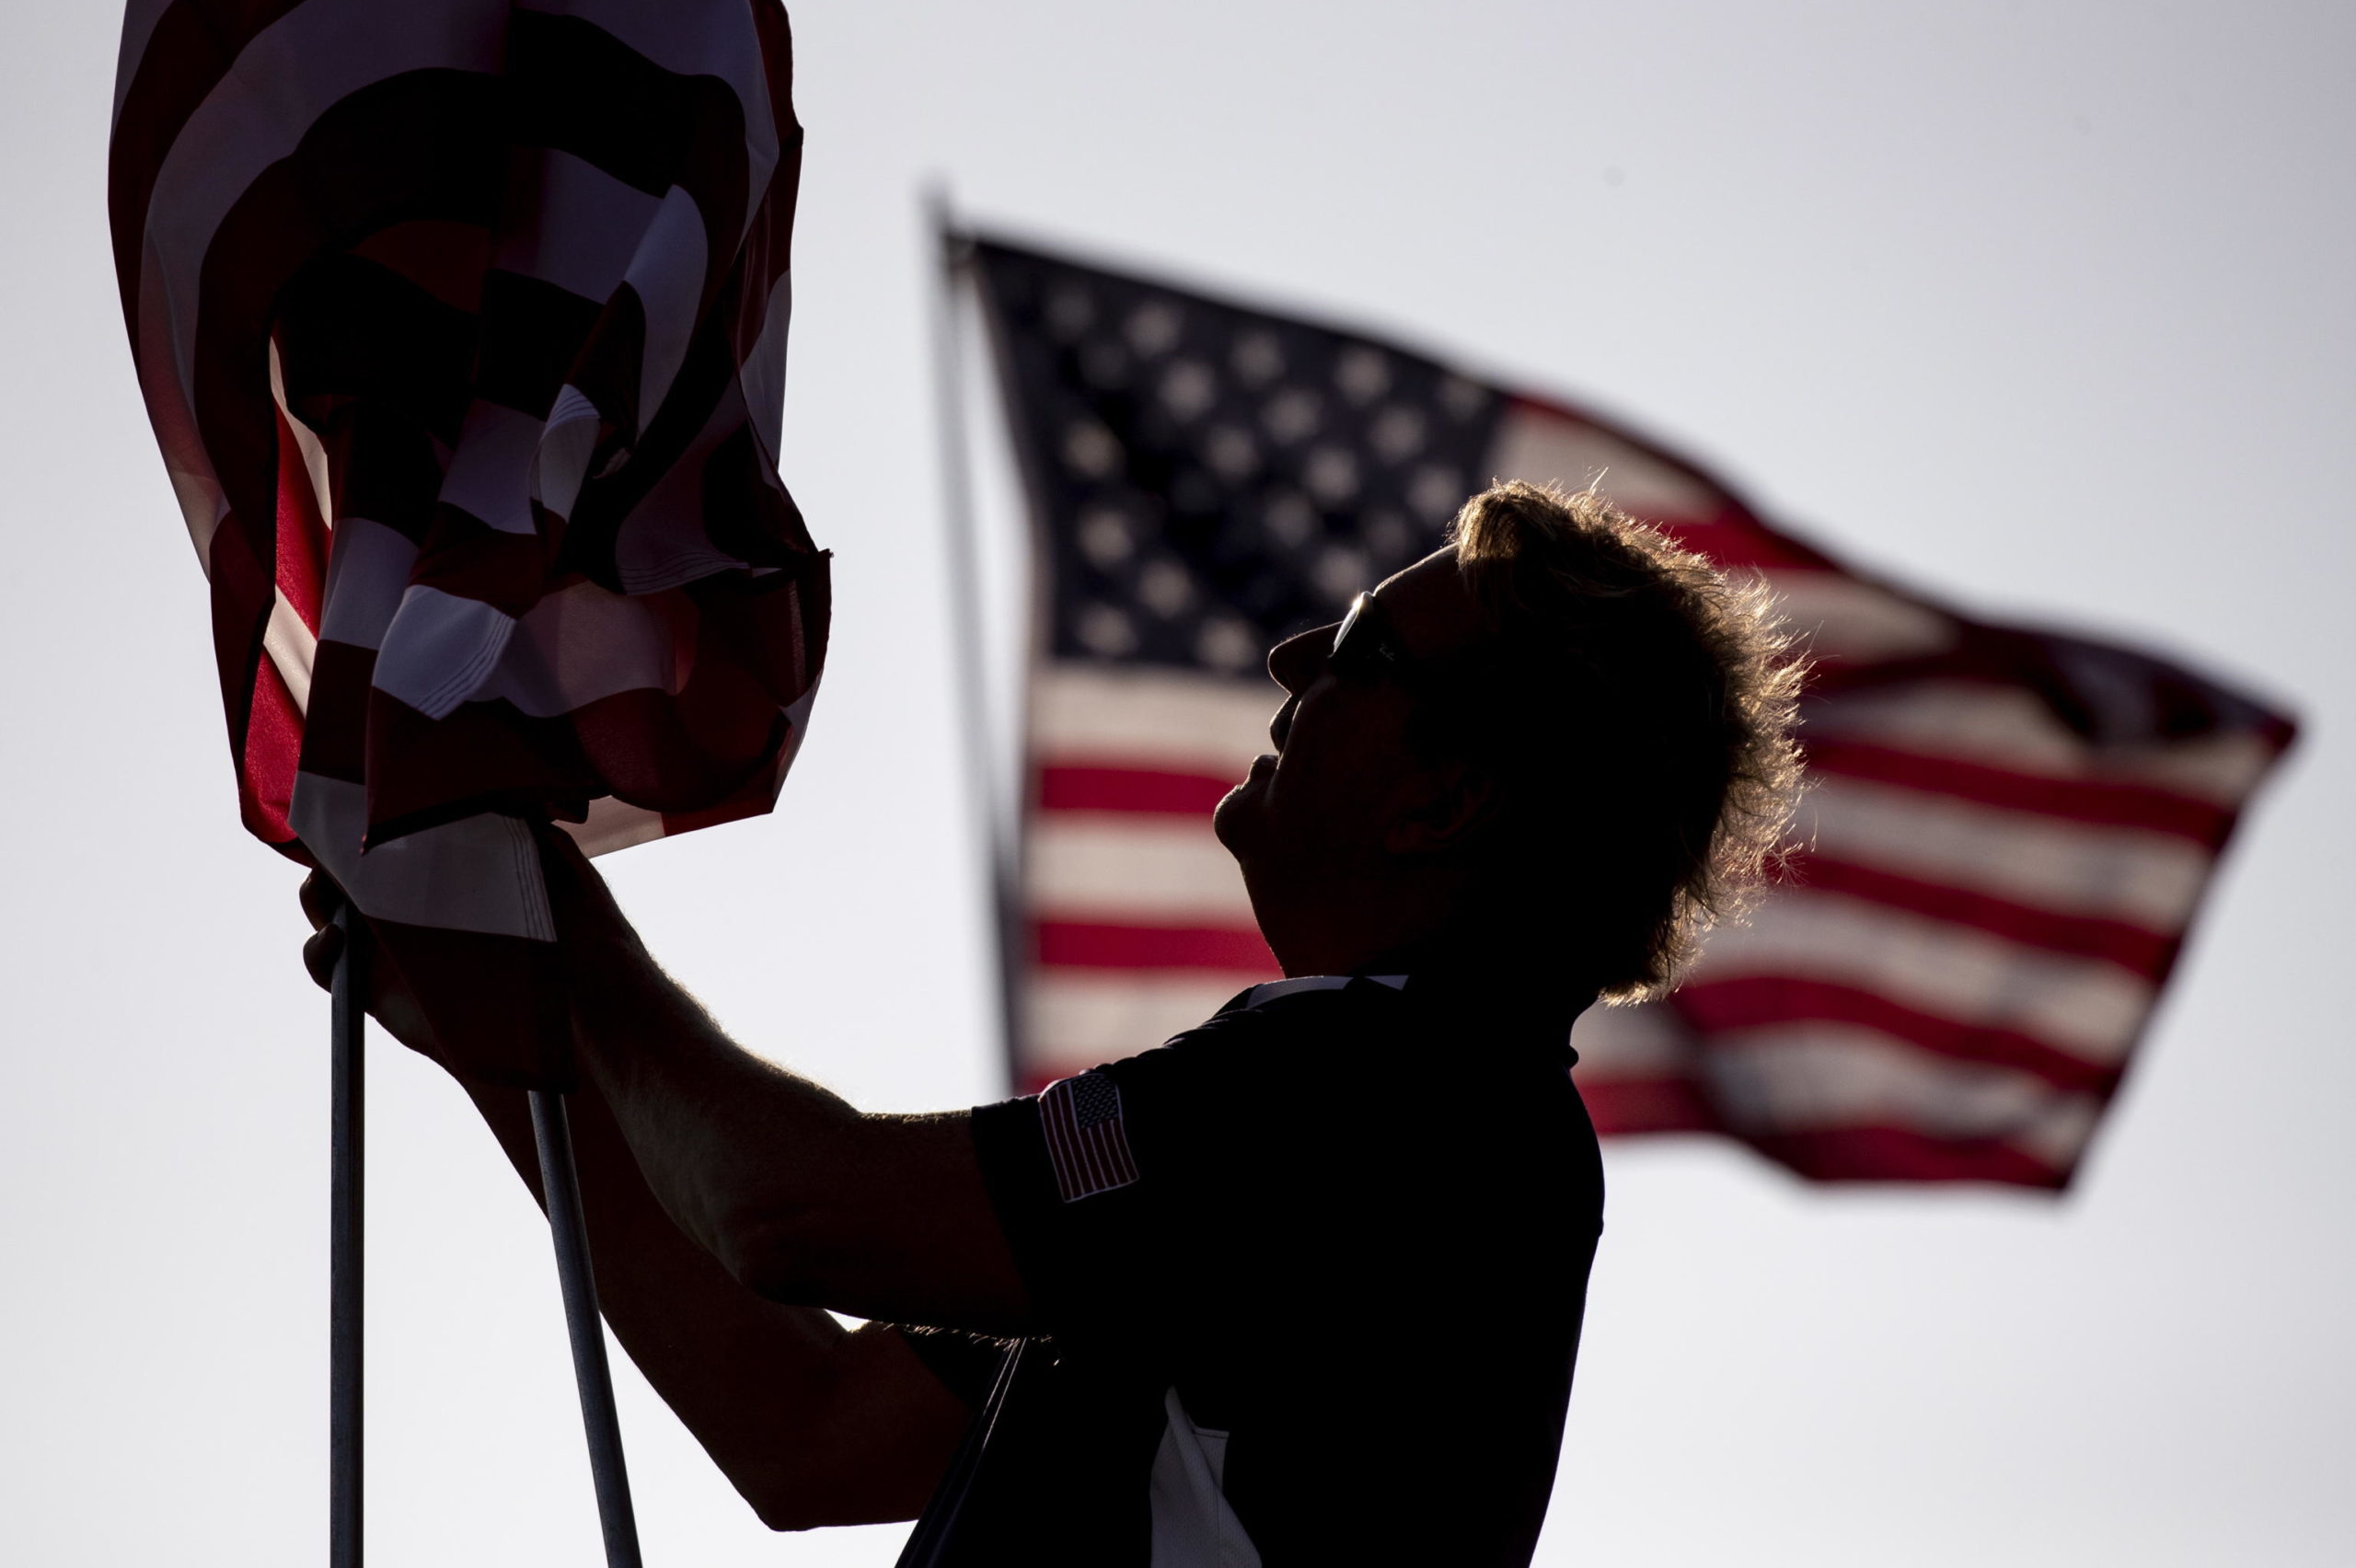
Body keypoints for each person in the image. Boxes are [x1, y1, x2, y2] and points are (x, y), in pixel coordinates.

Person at [303, 479, 1802, 1565]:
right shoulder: (1408, 1122)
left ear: (1446, 800)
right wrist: (520, 1026)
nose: (1294, 662)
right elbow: (803, 1428)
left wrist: (556, 934)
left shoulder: (1394, 1097)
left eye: (1359, 647)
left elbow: (795, 1207)